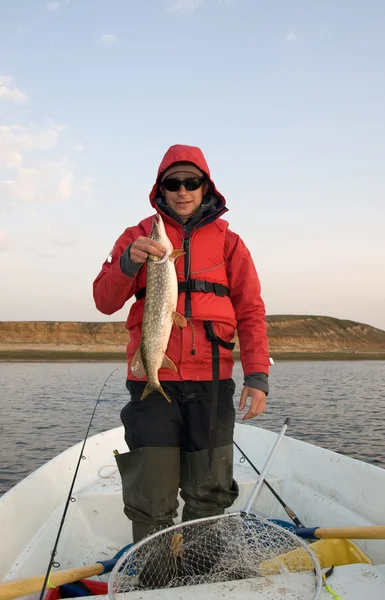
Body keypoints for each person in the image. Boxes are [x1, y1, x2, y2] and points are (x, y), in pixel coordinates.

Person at [93, 144, 270, 543]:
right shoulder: (136, 236)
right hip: (151, 382)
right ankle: (154, 575)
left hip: (212, 381)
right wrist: (128, 263)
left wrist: (257, 374)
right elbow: (104, 301)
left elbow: (251, 312)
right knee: (151, 495)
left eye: (193, 182)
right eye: (173, 183)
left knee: (209, 491)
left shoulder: (230, 243)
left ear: (207, 187)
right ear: (161, 189)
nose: (183, 190)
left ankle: (202, 570)